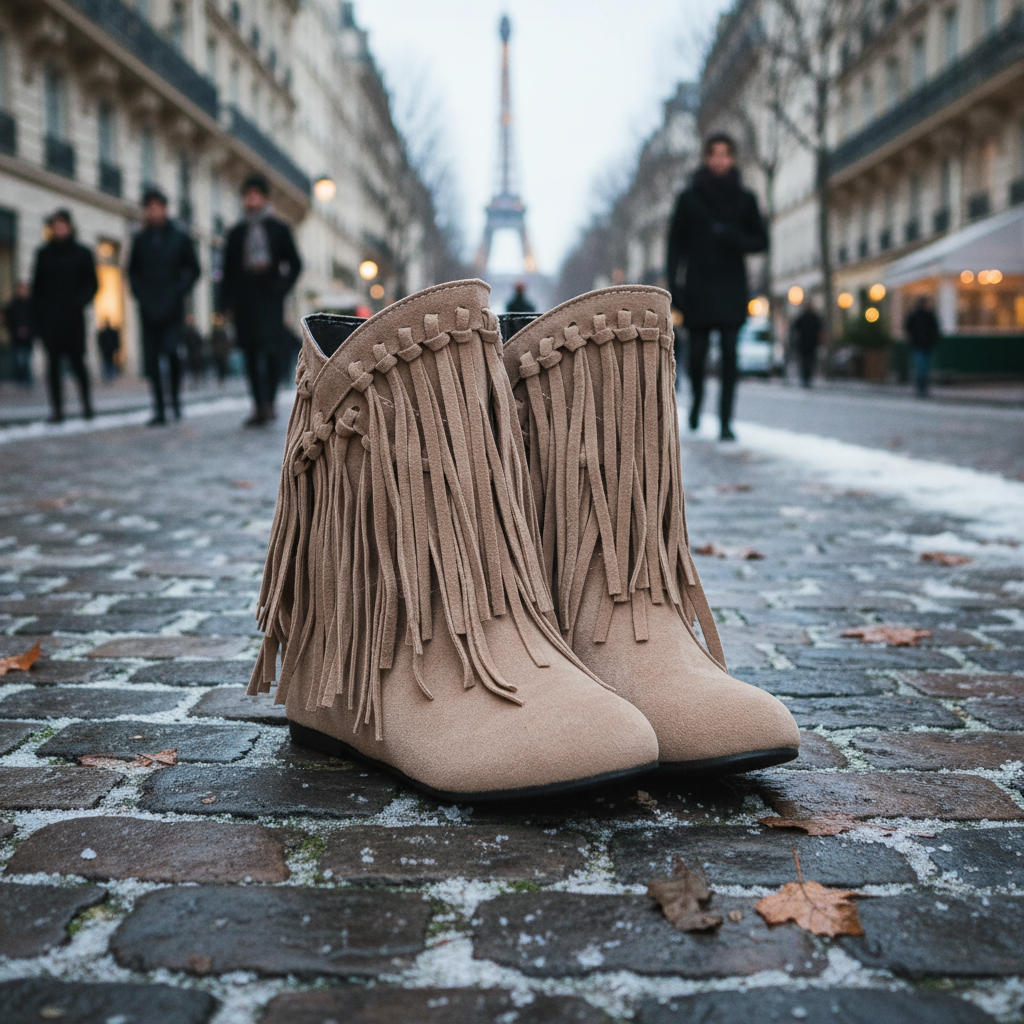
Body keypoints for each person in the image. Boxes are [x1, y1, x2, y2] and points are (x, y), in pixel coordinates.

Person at [667, 133, 768, 440]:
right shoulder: (689, 198)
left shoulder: (745, 198)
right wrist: (675, 288)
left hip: (731, 288)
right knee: (696, 356)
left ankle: (726, 421)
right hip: (698, 287)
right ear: (707, 158)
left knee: (728, 356)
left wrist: (733, 237)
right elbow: (675, 246)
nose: (720, 159)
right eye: (714, 154)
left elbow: (761, 241)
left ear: (733, 158)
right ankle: (697, 403)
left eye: (725, 154)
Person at [221, 173, 302, 426]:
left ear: (265, 198)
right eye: (248, 195)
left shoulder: (278, 229)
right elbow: (227, 271)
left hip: (270, 300)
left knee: (271, 352)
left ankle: (270, 401)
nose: (252, 199)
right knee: (250, 352)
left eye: (256, 194)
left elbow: (295, 263)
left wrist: (280, 288)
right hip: (245, 302)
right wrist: (226, 304)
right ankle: (259, 405)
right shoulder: (236, 233)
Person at [128, 187, 201, 425]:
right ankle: (159, 408)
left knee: (171, 354)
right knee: (151, 360)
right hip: (148, 309)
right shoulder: (140, 239)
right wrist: (140, 293)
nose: (153, 212)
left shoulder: (179, 237)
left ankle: (176, 402)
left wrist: (178, 290)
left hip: (172, 309)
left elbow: (194, 269)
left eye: (157, 207)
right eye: (149, 208)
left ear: (164, 209)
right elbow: (132, 271)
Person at [30, 210, 98, 423]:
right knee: (53, 366)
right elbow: (37, 289)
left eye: (62, 225)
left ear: (69, 226)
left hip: (74, 319)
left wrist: (79, 302)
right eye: (55, 225)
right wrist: (38, 321)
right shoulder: (44, 254)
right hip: (51, 320)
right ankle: (57, 410)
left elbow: (92, 284)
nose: (59, 229)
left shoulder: (82, 253)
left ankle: (87, 406)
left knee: (78, 363)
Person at [904, 295, 941, 397]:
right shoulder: (915, 315)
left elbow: (935, 330)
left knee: (926, 369)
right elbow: (908, 327)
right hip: (918, 346)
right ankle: (920, 389)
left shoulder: (930, 316)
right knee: (920, 368)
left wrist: (934, 341)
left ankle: (924, 389)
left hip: (927, 346)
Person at [4, 281, 33, 386]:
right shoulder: (13, 305)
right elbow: (8, 320)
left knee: (26, 359)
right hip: (16, 338)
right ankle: (22, 379)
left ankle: (26, 379)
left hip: (28, 338)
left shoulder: (31, 305)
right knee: (19, 359)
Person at [790, 301, 823, 388]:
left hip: (811, 344)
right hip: (804, 344)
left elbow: (820, 331)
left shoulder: (814, 318)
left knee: (809, 362)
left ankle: (807, 378)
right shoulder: (803, 318)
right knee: (805, 362)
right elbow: (795, 328)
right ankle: (805, 378)